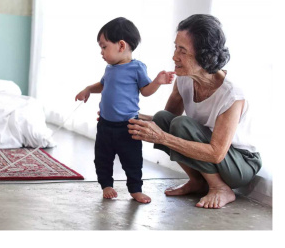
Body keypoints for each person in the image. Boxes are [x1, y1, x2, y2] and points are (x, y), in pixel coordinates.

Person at [128, 14, 262, 209]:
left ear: (204, 55)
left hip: (239, 164)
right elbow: (163, 123)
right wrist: (129, 116)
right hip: (215, 157)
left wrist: (162, 138)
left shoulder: (232, 95)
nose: (174, 56)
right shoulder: (184, 79)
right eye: (175, 47)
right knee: (164, 119)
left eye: (182, 50)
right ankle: (197, 181)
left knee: (180, 125)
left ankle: (220, 188)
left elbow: (216, 153)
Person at [75, 17, 175, 203]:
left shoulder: (137, 68)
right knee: (102, 158)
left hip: (128, 126)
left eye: (104, 47)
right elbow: (103, 85)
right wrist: (88, 89)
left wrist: (157, 82)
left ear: (121, 45)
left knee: (132, 160)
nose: (101, 52)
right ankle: (106, 185)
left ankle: (135, 189)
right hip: (105, 125)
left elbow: (145, 91)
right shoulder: (109, 68)